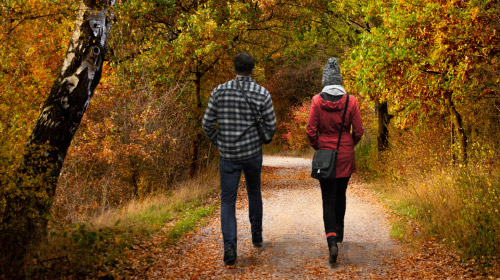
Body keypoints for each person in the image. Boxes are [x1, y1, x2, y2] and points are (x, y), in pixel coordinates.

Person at [202, 52, 276, 266]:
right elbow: (271, 125)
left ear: (234, 68)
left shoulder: (219, 91)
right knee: (254, 191)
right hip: (252, 153)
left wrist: (220, 143)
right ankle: (257, 235)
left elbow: (207, 124)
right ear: (253, 69)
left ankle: (230, 248)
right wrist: (259, 140)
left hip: (228, 156)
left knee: (227, 201)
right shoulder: (262, 93)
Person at [306, 57, 364, 264]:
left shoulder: (316, 101)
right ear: (339, 80)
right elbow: (359, 131)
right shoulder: (351, 101)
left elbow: (311, 131)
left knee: (328, 198)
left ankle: (331, 240)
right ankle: (339, 231)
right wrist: (349, 144)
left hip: (325, 157)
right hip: (345, 154)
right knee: (341, 194)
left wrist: (319, 147)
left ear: (325, 81)